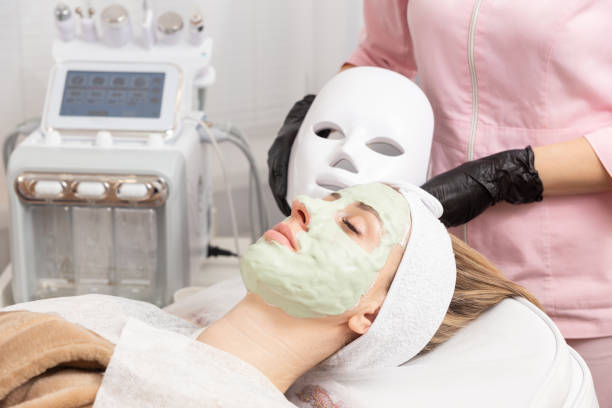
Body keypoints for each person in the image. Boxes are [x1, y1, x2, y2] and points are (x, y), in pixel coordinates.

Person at [267, 2, 612, 404]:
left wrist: (510, 174)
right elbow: (382, 58)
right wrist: (316, 122)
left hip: (577, 280)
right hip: (435, 266)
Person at [2, 183, 546, 407]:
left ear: (371, 312)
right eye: (328, 198)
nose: (306, 203)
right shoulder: (134, 320)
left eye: (353, 226)